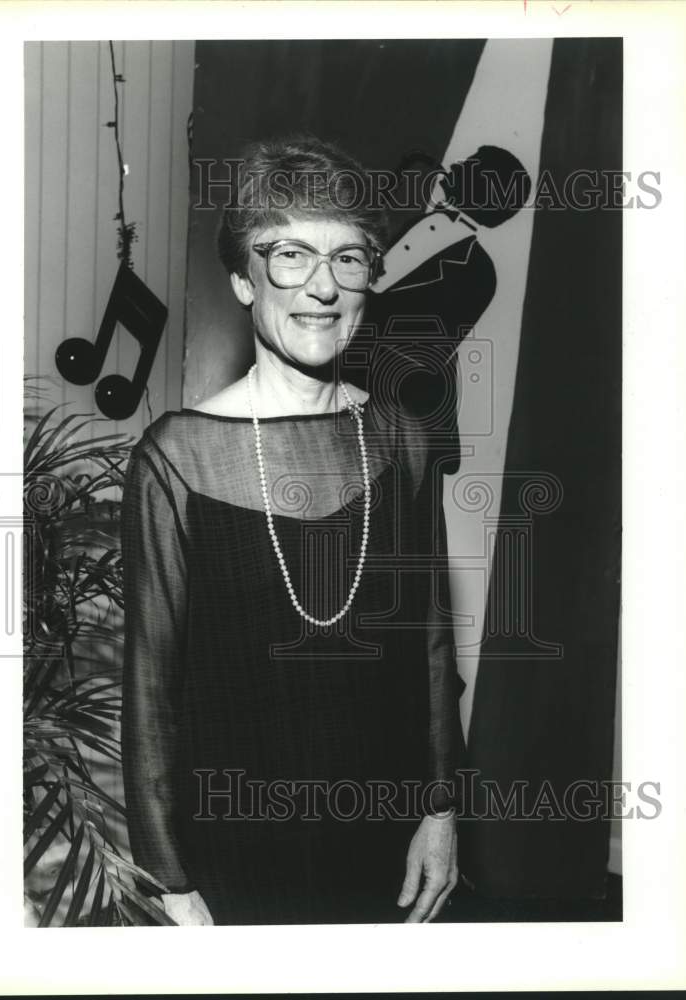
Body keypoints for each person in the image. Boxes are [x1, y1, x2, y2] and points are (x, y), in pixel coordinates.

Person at [121, 135, 463, 926]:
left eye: (348, 258)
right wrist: (169, 881)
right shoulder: (176, 457)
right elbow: (149, 689)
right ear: (243, 279)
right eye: (289, 256)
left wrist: (439, 810)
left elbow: (431, 643)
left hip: (381, 831)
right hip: (231, 840)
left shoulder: (402, 435)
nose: (322, 286)